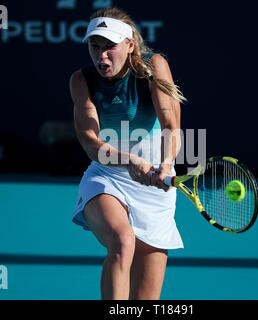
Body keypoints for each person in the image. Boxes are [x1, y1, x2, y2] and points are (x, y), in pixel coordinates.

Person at [69, 7, 187, 300]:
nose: (101, 56)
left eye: (110, 47)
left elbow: (172, 127)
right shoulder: (81, 80)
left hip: (155, 186)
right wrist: (129, 160)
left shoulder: (153, 66)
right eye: (95, 47)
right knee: (122, 241)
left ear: (130, 45)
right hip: (108, 176)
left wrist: (165, 165)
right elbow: (90, 142)